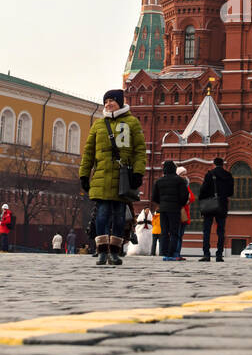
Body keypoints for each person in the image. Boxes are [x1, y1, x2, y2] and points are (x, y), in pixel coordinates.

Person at [80, 90, 147, 266]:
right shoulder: (98, 125)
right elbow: (88, 152)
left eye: (112, 101)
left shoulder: (132, 123)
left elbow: (139, 151)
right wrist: (84, 175)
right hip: (102, 175)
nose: (109, 104)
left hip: (122, 178)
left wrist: (138, 173)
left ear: (120, 102)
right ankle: (102, 252)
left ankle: (115, 252)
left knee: (119, 216)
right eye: (106, 101)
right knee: (101, 215)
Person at [150, 160, 190, 262]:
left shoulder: (159, 181)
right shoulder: (180, 181)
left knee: (164, 232)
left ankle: (165, 253)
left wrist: (162, 203)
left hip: (163, 210)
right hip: (175, 210)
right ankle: (172, 253)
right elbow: (185, 195)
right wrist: (179, 204)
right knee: (174, 232)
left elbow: (154, 197)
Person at [197, 157, 234, 262]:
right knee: (221, 231)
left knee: (207, 231)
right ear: (223, 164)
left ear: (214, 164)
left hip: (209, 205)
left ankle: (206, 254)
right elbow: (231, 193)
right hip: (222, 205)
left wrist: (202, 201)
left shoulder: (209, 174)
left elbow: (203, 190)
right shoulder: (228, 175)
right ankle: (219, 255)